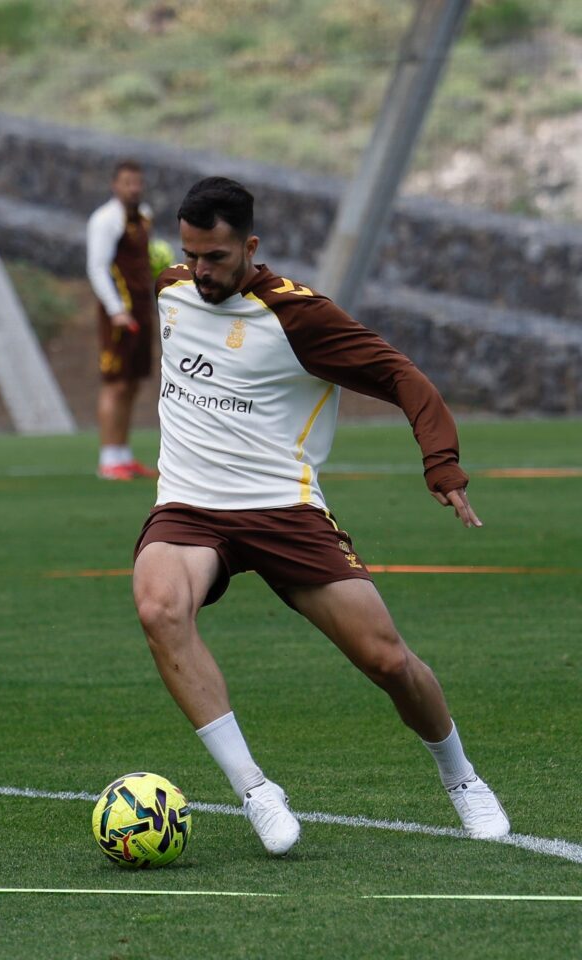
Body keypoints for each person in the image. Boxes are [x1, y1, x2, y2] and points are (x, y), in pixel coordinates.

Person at [133, 176, 510, 856]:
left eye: (216, 257)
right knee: (159, 607)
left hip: (284, 510)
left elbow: (403, 376)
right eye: (193, 255)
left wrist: (442, 464)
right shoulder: (171, 290)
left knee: (388, 660)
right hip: (190, 507)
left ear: (249, 246)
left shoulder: (299, 318)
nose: (202, 271)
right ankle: (256, 790)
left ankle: (461, 779)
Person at [86, 159, 160, 480]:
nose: (134, 188)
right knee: (115, 383)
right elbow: (97, 267)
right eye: (128, 182)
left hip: (143, 309)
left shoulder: (144, 217)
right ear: (114, 185)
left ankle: (123, 454)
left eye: (137, 182)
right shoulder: (105, 219)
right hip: (119, 313)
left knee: (132, 382)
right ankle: (108, 457)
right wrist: (116, 309)